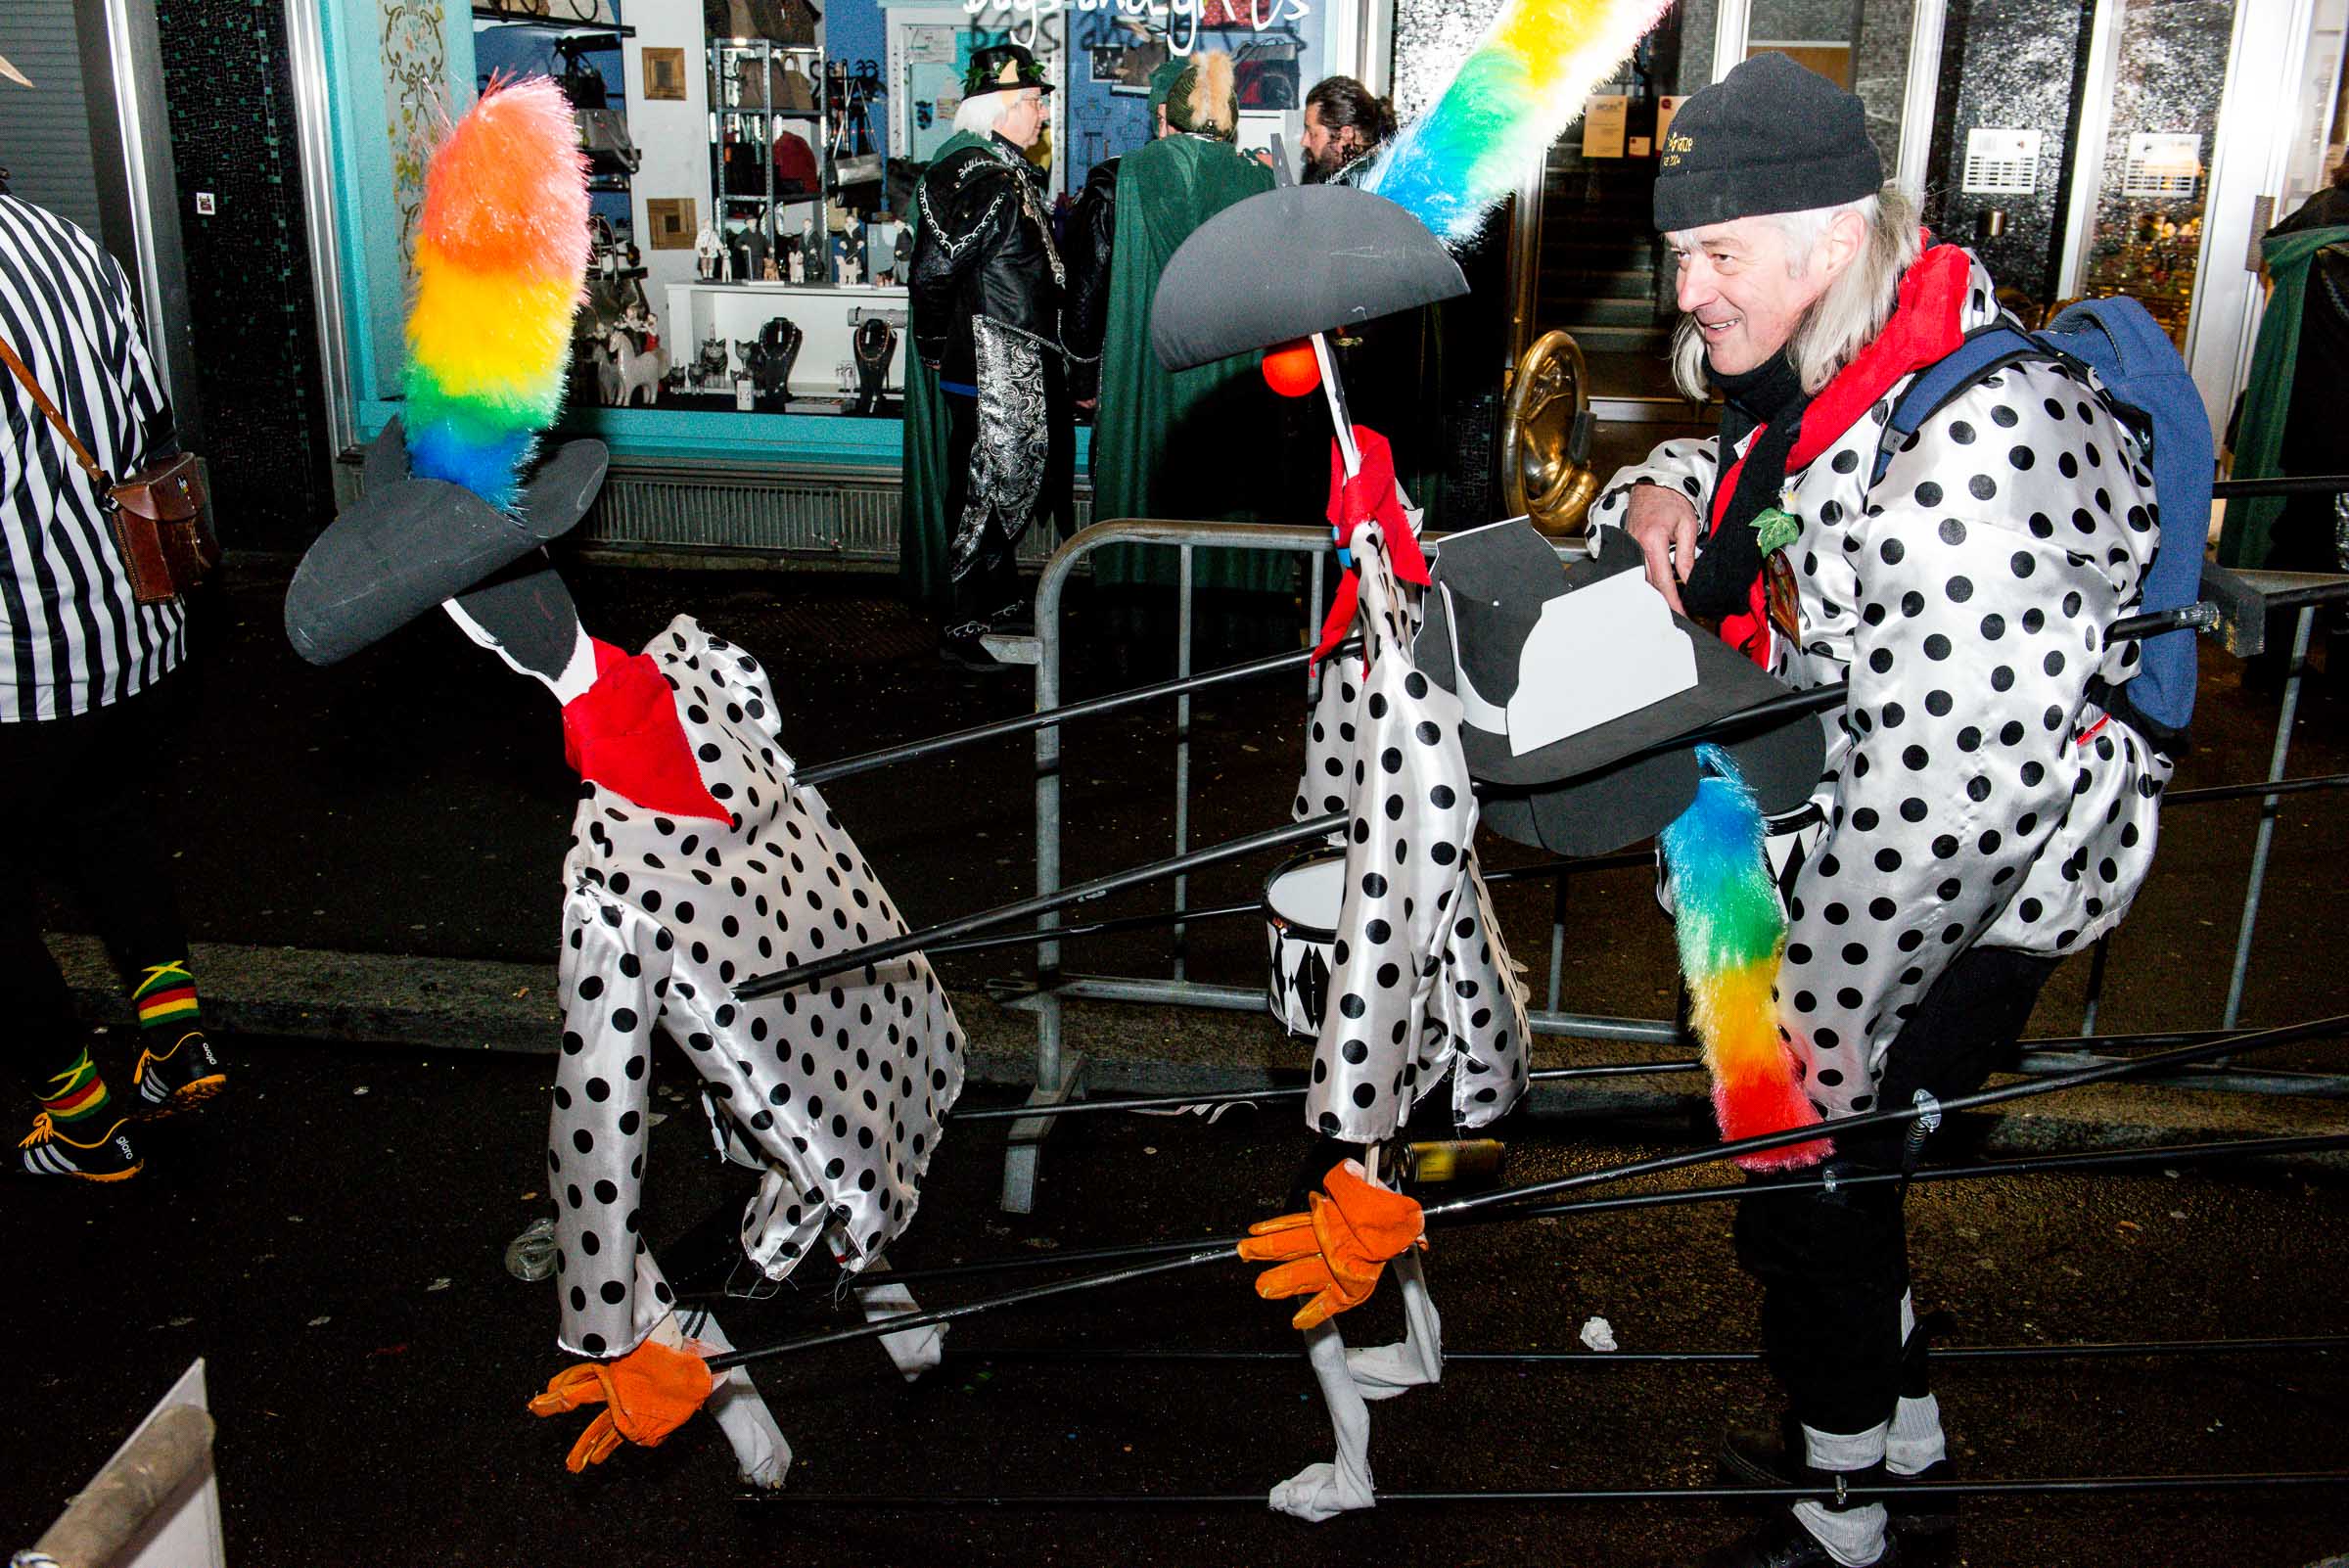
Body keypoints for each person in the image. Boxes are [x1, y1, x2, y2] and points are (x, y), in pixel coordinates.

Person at [1584, 54, 2169, 1567]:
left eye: (1716, 254)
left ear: (1831, 237)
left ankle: (1850, 1520)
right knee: (1816, 1184)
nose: (1688, 292)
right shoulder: (1852, 366)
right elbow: (1753, 471)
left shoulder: (1974, 448)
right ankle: (1899, 1449)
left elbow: (1942, 818)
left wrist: (1794, 1034)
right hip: (1794, 832)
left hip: (1966, 882)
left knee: (1809, 1188)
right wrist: (1651, 488)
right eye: (1680, 254)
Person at [0, 55, 225, 1182]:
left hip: (17, 658)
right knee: (107, 823)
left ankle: (79, 1110)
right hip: (132, 624)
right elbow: (147, 413)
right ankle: (176, 1042)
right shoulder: (68, 244)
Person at [1081, 52, 1280, 596]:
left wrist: (1081, 373)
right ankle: (1233, 619)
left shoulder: (1132, 174)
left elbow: (1091, 284)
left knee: (1146, 491)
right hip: (1230, 380)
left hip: (1150, 369)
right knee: (1226, 494)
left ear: (1168, 114)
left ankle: (1137, 609)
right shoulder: (1261, 184)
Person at [904, 43, 1071, 670]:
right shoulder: (974, 176)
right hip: (989, 365)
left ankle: (995, 606)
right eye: (1032, 103)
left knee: (1009, 484)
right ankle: (962, 625)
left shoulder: (1002, 170)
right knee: (983, 488)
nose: (1041, 116)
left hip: (1014, 359)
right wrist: (930, 345)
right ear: (998, 109)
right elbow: (934, 271)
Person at [2218, 156, 2348, 579]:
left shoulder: (2314, 222)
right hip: (2331, 430)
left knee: (2296, 543)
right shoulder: (2334, 242)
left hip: (2300, 421)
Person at [1300, 74, 1396, 186]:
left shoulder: (1372, 189)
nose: (1304, 142)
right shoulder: (1375, 174)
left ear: (1345, 134)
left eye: (1312, 133)